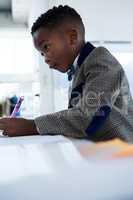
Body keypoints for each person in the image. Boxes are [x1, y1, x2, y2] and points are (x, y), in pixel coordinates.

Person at [0, 5, 133, 142]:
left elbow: (89, 116)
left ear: (72, 38)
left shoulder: (100, 59)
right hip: (104, 154)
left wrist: (32, 125)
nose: (45, 58)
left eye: (46, 47)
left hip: (124, 155)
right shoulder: (78, 70)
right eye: (41, 53)